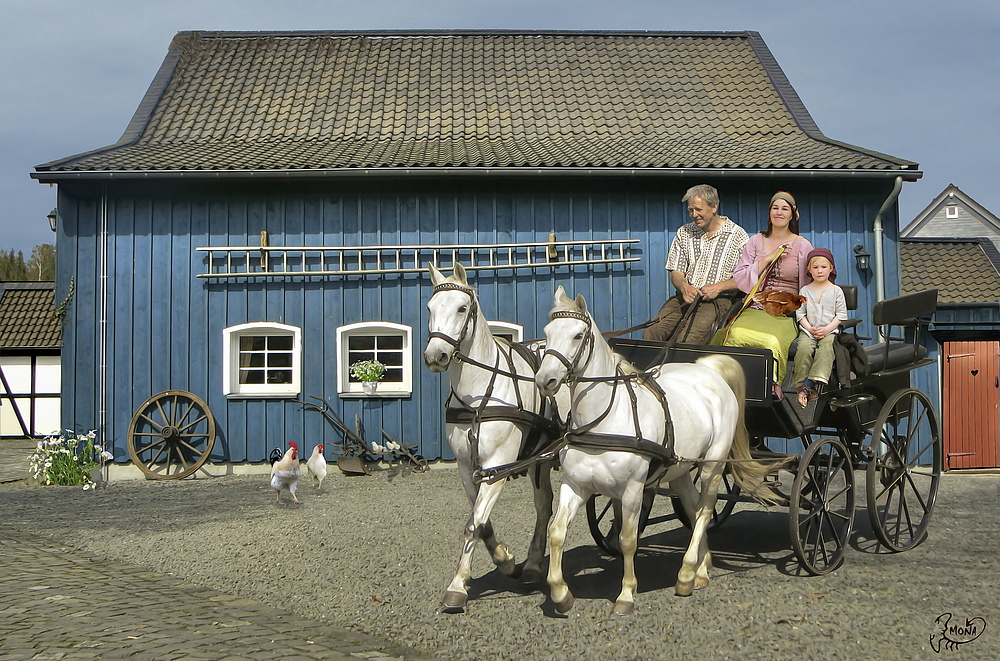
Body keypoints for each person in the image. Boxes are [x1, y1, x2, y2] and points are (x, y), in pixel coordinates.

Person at [715, 191, 813, 393]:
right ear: (769, 213)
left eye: (785, 209)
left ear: (793, 214)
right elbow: (741, 279)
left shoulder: (802, 246)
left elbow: (808, 286)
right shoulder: (755, 242)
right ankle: (727, 384)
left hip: (785, 313)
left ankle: (771, 386)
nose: (779, 212)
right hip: (756, 307)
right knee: (732, 334)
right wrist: (766, 260)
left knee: (771, 341)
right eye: (775, 208)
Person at [643, 184, 748, 345]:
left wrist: (718, 287)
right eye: (690, 210)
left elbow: (746, 278)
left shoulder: (737, 236)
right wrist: (684, 286)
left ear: (714, 207)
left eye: (698, 209)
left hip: (717, 301)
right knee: (652, 331)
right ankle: (648, 369)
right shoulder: (684, 232)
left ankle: (680, 369)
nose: (694, 214)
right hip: (686, 297)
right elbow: (676, 272)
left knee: (687, 340)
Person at [793, 248, 848, 407]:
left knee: (826, 349)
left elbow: (841, 315)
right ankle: (800, 385)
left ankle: (809, 385)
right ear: (809, 270)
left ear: (831, 268)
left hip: (829, 331)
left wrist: (826, 329)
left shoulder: (836, 291)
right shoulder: (805, 291)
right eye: (815, 267)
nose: (820, 271)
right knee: (803, 349)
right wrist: (809, 329)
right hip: (808, 331)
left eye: (824, 267)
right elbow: (800, 314)